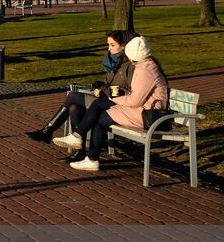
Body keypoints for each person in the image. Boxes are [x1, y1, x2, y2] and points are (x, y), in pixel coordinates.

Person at [71, 36, 169, 172]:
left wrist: (113, 99)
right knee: (99, 107)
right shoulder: (145, 65)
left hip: (147, 114)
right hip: (142, 110)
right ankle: (82, 143)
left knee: (100, 116)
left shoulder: (146, 70)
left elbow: (135, 101)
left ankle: (85, 148)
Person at [30, 31, 135, 144]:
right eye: (108, 45)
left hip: (117, 105)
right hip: (104, 99)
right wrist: (100, 86)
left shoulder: (130, 66)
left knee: (73, 95)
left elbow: (127, 93)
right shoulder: (114, 62)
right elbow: (108, 84)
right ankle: (79, 151)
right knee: (74, 108)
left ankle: (47, 131)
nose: (109, 49)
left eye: (113, 45)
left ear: (124, 46)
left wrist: (104, 88)